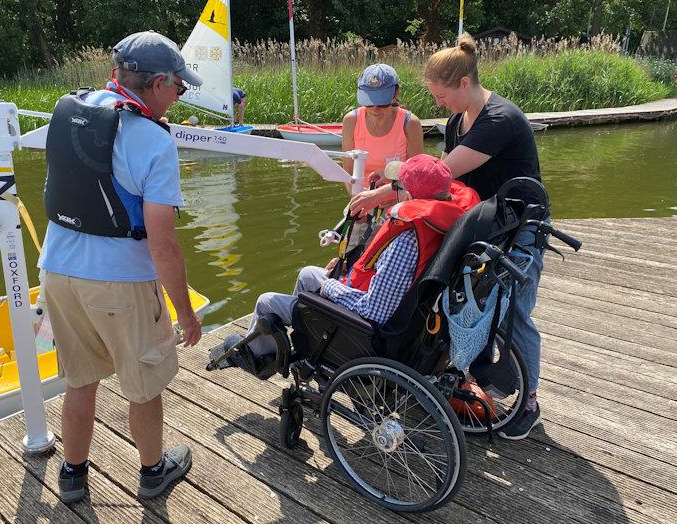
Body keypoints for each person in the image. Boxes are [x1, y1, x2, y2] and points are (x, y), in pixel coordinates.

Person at [348, 33, 545, 441]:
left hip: (520, 228)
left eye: (441, 95)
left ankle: (529, 403)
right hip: (485, 225)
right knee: (473, 307)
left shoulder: (500, 120)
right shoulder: (460, 120)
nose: (438, 105)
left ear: (463, 83)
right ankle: (479, 380)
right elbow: (442, 188)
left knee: (513, 314)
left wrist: (380, 194)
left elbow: (440, 175)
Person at [39, 30, 203, 503]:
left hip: (56, 271)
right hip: (120, 282)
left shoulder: (68, 110)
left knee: (79, 378)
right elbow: (163, 242)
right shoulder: (153, 140)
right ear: (155, 84)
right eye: (178, 86)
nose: (178, 96)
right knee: (143, 384)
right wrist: (184, 312)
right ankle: (153, 471)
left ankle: (72, 476)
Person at [212, 154, 479, 376]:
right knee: (307, 274)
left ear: (409, 194)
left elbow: (374, 311)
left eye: (398, 186)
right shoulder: (441, 225)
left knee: (267, 301)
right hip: (399, 314)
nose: (394, 190)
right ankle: (303, 343)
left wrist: (330, 288)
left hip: (365, 331)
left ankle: (258, 358)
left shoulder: (407, 241)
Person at [341, 63, 424, 188]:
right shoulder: (351, 121)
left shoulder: (410, 123)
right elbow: (348, 171)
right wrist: (358, 198)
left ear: (396, 94)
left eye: (382, 103)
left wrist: (388, 196)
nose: (375, 109)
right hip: (361, 195)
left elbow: (417, 173)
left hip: (398, 196)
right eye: (368, 102)